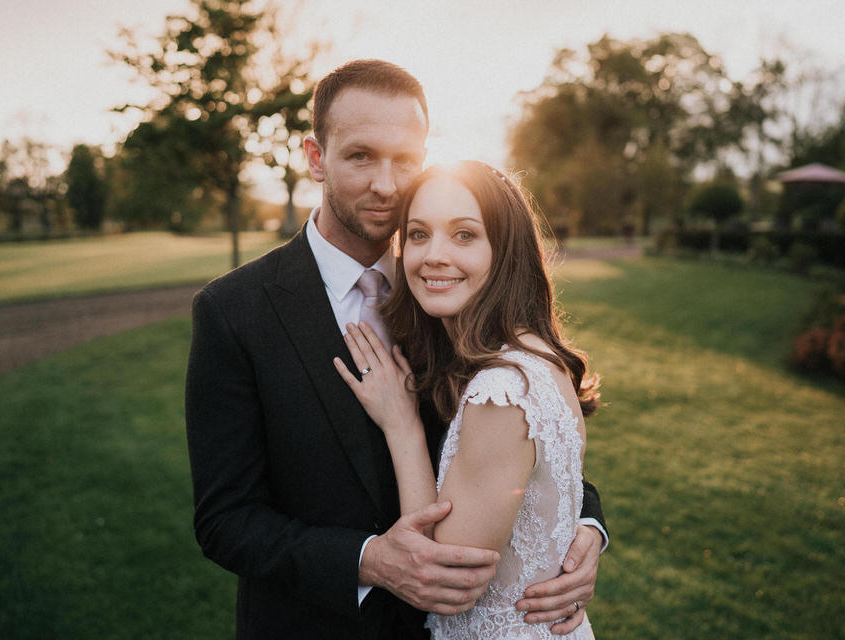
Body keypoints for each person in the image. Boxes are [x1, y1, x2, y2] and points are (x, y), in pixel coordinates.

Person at [185, 59, 607, 639]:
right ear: (315, 157)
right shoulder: (234, 312)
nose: (387, 184)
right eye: (360, 156)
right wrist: (367, 560)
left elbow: (525, 438)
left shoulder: (448, 295)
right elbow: (225, 519)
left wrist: (582, 526)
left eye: (405, 160)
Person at [334, 160, 601, 639]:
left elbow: (448, 578)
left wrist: (403, 426)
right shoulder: (541, 357)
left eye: (464, 235)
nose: (434, 255)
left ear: (506, 252)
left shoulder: (501, 390)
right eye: (418, 234)